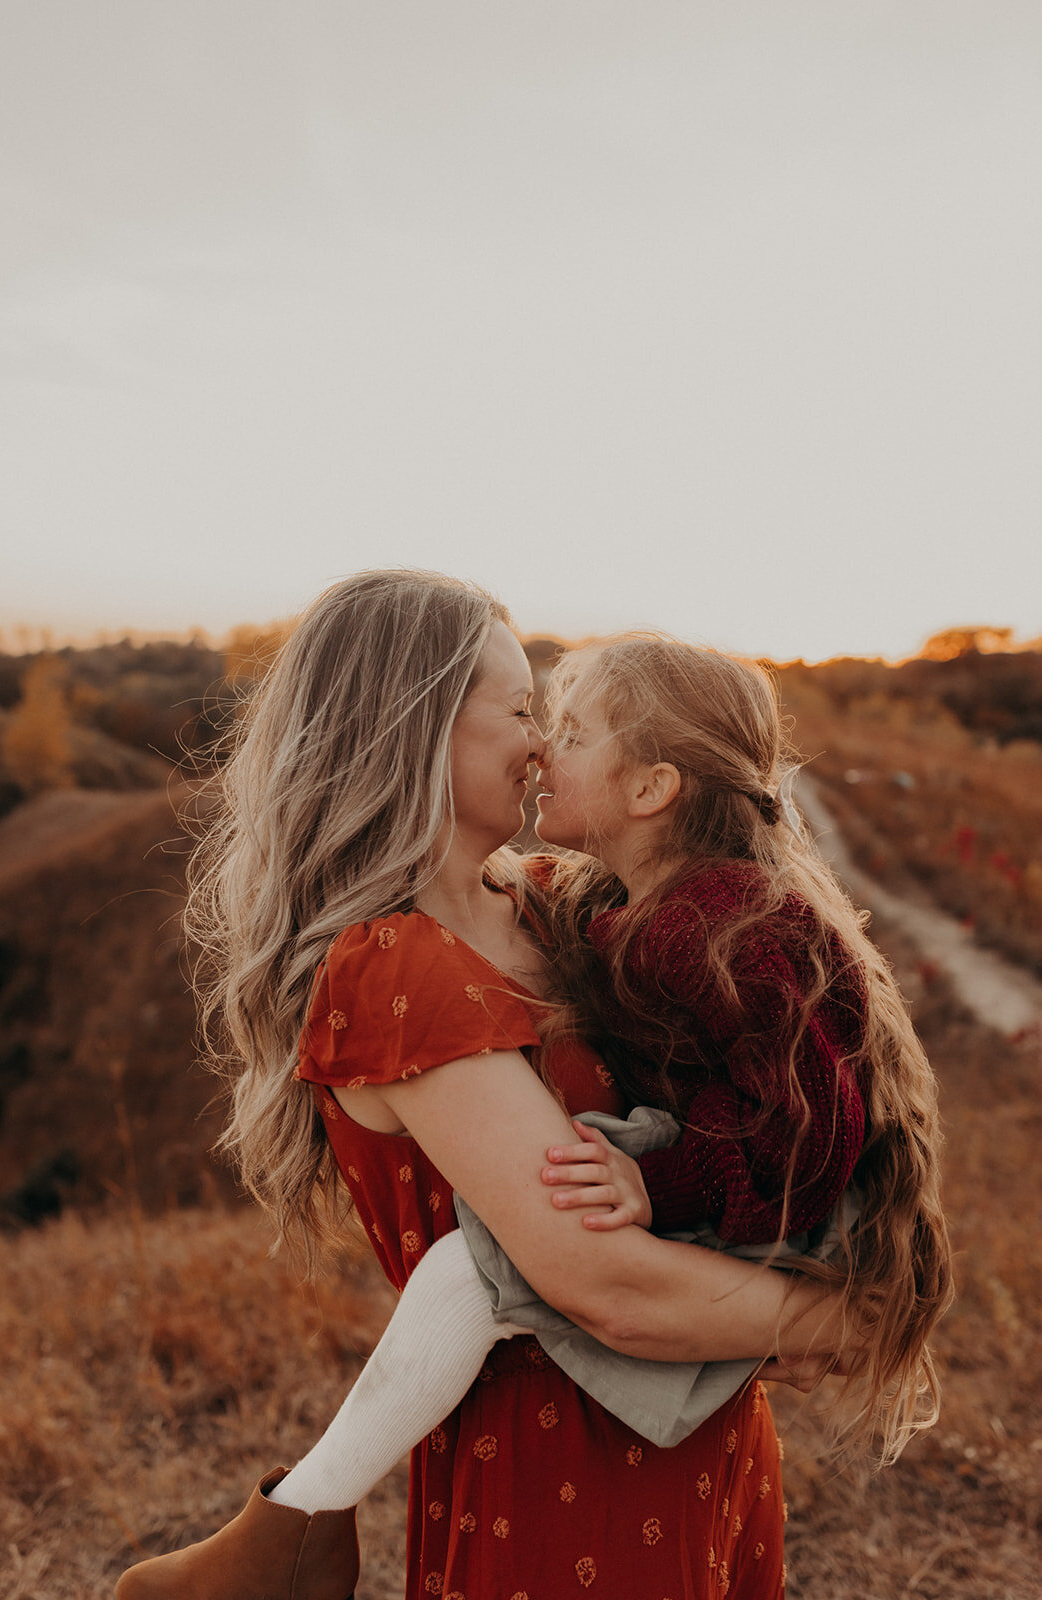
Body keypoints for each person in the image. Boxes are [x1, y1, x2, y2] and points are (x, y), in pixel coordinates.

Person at [116, 572, 895, 1600]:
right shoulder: (398, 965)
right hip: (560, 1471)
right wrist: (847, 1318)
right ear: (414, 726)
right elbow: (603, 1283)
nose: (542, 742)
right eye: (523, 710)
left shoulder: (549, 904)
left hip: (702, 1429)